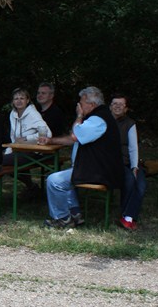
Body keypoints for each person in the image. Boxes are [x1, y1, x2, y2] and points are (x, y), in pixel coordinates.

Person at [38, 86, 123, 229]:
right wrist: (50, 140)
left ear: (92, 104)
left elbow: (75, 135)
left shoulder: (97, 120)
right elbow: (74, 139)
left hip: (100, 171)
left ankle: (62, 218)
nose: (79, 106)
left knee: (54, 181)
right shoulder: (99, 117)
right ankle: (75, 213)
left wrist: (79, 116)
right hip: (97, 168)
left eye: (81, 103)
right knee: (69, 176)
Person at [109, 94, 146, 230]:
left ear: (126, 108)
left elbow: (133, 147)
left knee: (141, 184)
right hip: (113, 162)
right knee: (129, 180)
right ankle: (126, 215)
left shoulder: (130, 123)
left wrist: (134, 166)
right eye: (115, 103)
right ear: (110, 107)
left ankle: (128, 217)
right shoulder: (103, 122)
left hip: (129, 161)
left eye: (121, 104)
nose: (118, 106)